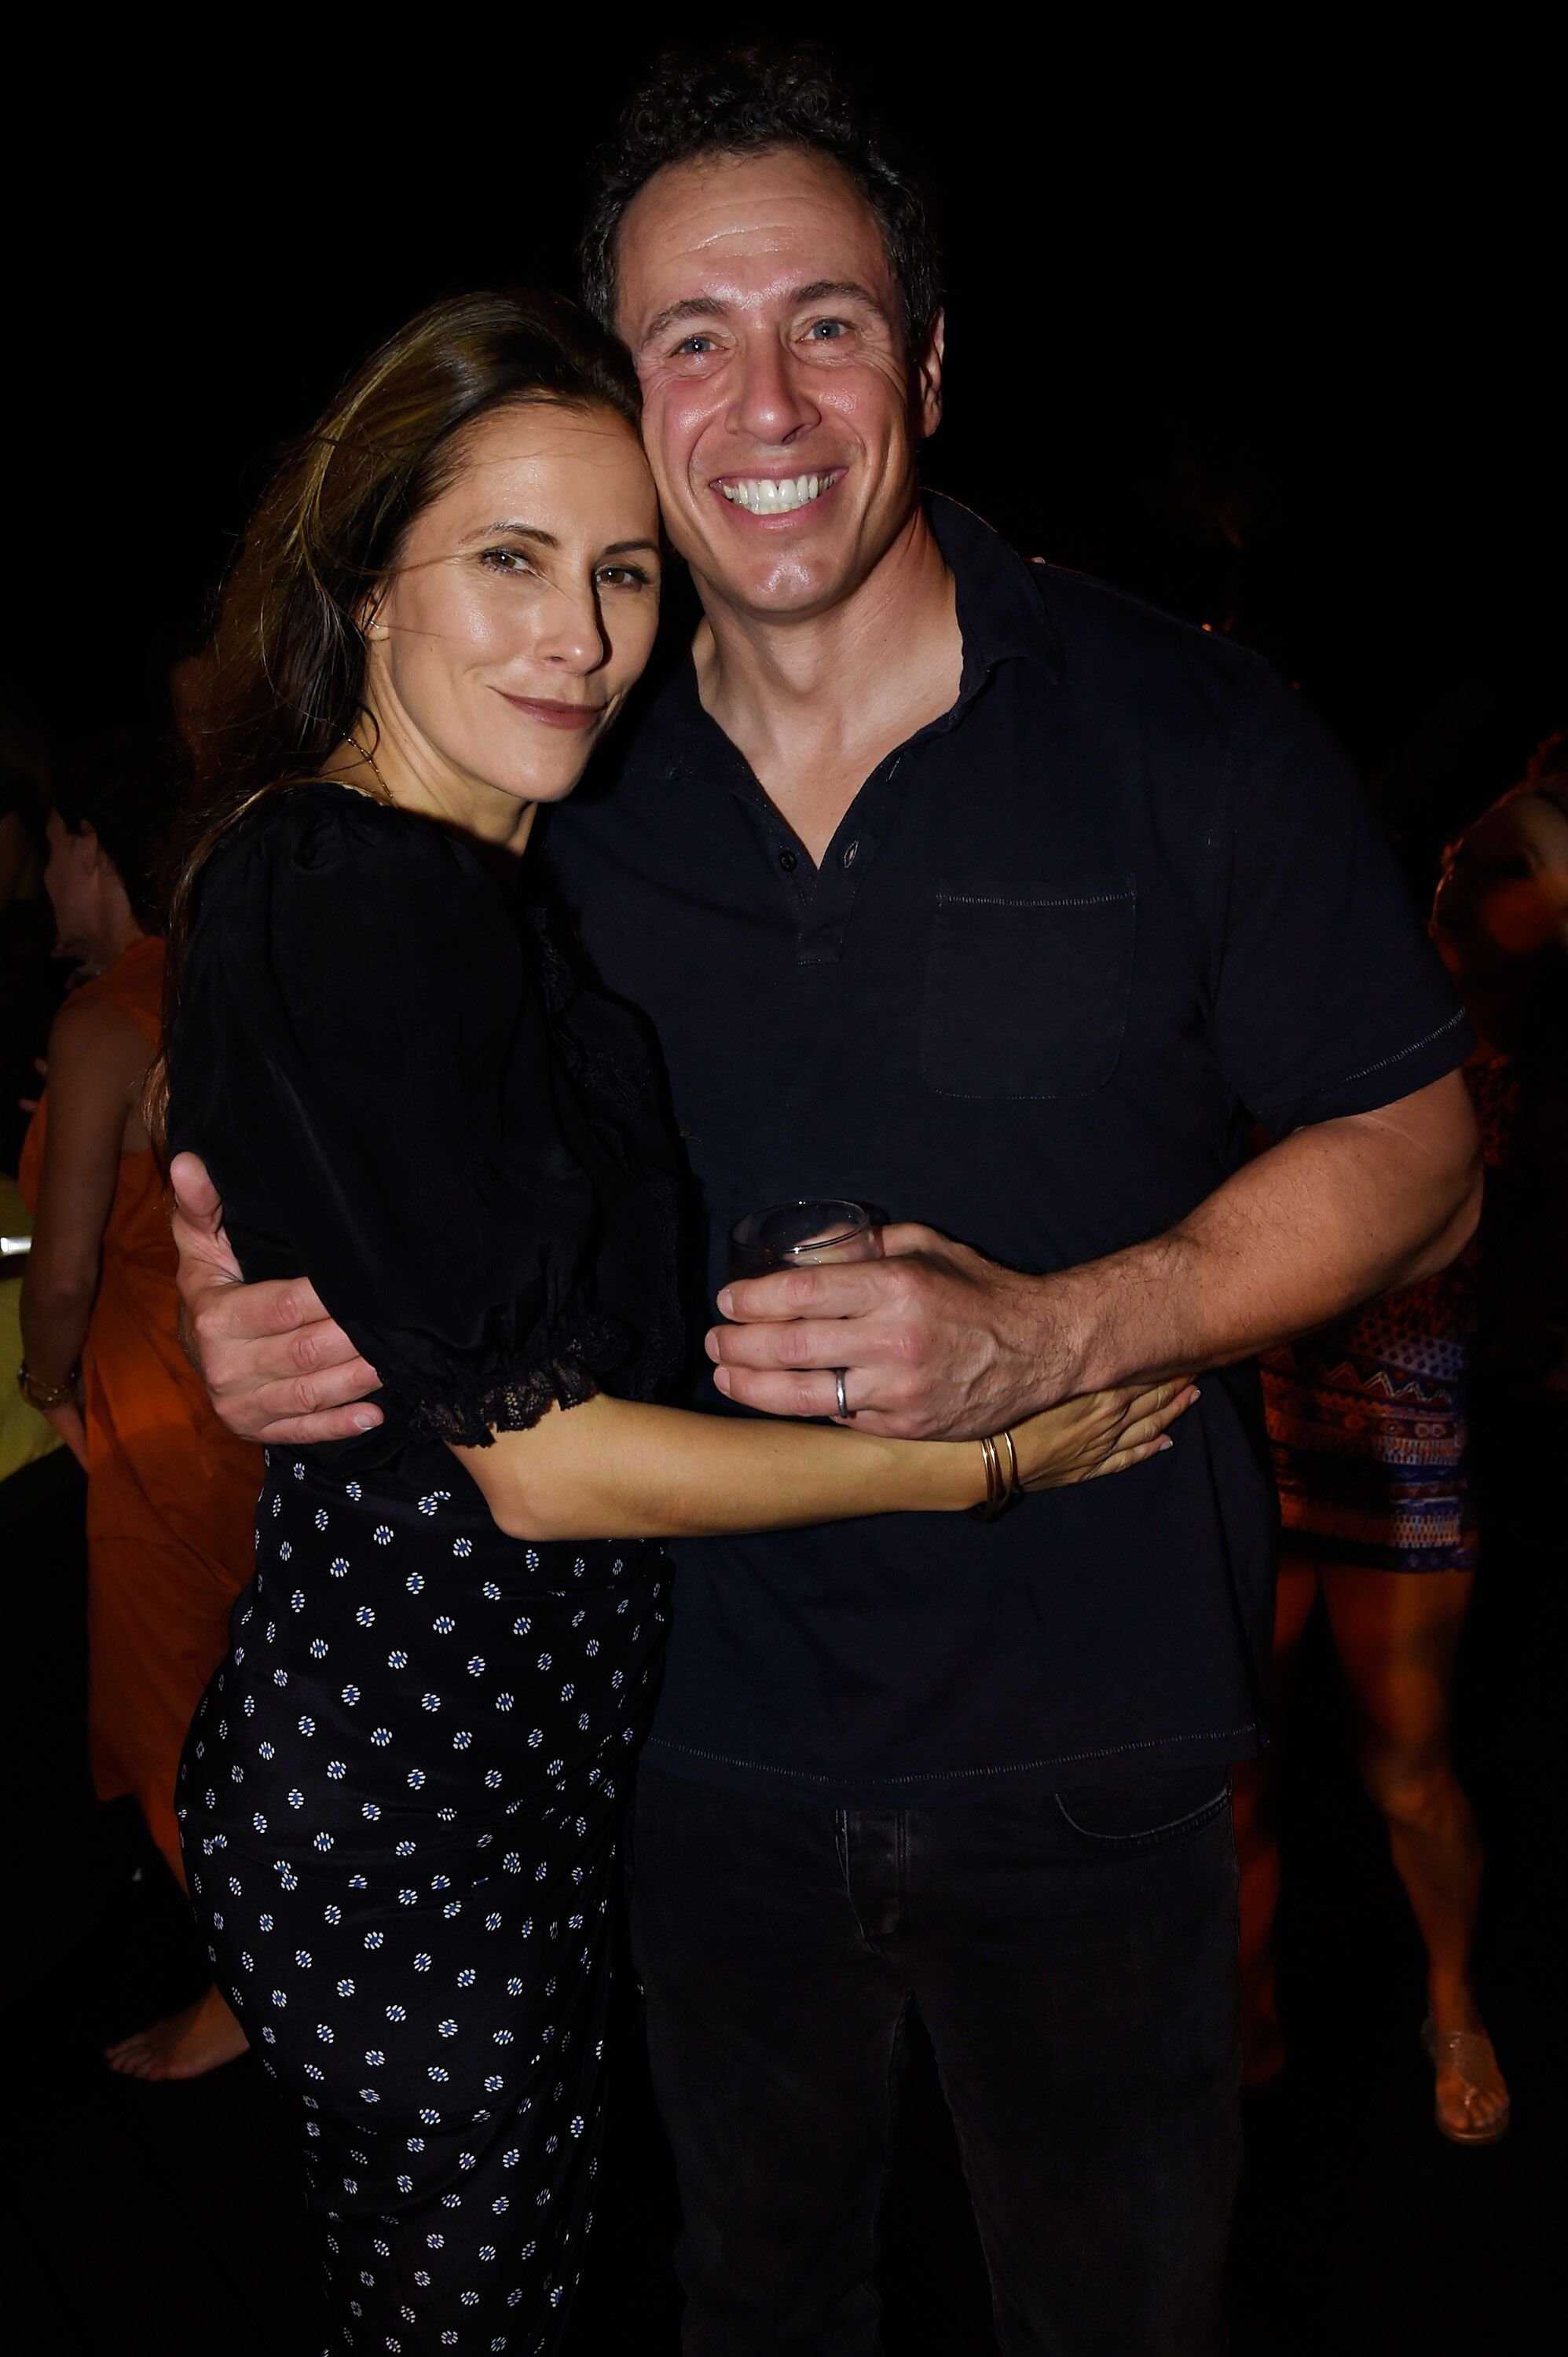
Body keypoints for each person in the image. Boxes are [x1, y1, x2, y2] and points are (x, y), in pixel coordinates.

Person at [170, 48, 1483, 2356]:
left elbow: (1427, 1162)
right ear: (624, 388)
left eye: (829, 320)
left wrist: (1060, 1333)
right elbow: (381, 1131)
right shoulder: (551, 756)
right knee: (752, 2305)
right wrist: (261, 1301)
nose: (761, 392)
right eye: (688, 331)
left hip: (1092, 1748)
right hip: (681, 1765)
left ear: (931, 363)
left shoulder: (1185, 736)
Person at [156, 285, 1191, 2357]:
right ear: (365, 588)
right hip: (406, 1817)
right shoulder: (358, 890)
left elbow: (433, 1258)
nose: (582, 633)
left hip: (485, 1789)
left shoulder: (475, 887)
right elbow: (534, 1477)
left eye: (624, 570)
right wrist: (979, 1457)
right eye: (510, 562)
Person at [1238, 759, 1566, 2143]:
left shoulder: (1527, 1077)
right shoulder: (1334, 987)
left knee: (1407, 1766)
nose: (1461, 872)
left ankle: (1449, 1994)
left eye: (1507, 869)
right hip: (1258, 1417)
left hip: (1401, 1451)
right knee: (1228, 1760)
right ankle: (1239, 1999)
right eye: (1465, 848)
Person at [16, 735, 262, 2077]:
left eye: (50, 845)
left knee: (179, 1705)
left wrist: (43, 1385)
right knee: (266, 1691)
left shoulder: (103, 1021)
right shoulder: (224, 979)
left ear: (91, 847)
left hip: (159, 1412)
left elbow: (57, 1280)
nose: (39, 872)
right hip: (255, 1405)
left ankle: (256, 1996)